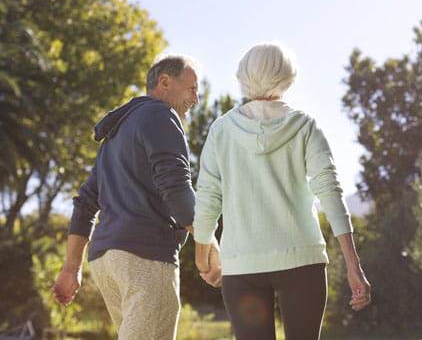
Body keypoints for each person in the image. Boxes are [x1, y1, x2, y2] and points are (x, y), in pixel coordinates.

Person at [193, 42, 371, 340]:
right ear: (287, 76)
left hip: (242, 264)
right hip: (302, 261)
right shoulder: (304, 125)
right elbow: (330, 191)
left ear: (243, 76)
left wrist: (202, 256)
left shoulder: (221, 130)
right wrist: (354, 266)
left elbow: (208, 197)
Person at [51, 55, 220, 340]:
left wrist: (71, 268)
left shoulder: (115, 135)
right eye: (192, 88)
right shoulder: (161, 115)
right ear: (165, 82)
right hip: (145, 256)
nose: (196, 100)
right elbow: (177, 190)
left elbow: (85, 203)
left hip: (107, 261)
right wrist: (209, 241)